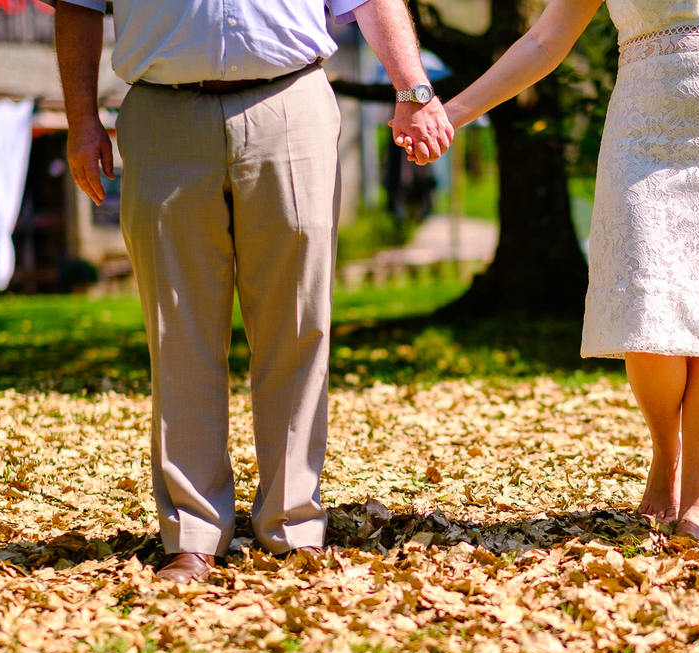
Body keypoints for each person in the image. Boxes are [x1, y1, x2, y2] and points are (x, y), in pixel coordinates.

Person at [54, 0, 453, 582]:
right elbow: (78, 4)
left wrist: (414, 92)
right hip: (161, 112)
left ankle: (293, 526)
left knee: (298, 323)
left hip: (290, 103)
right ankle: (191, 533)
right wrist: (80, 119)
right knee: (177, 330)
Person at [442, 0, 699, 540]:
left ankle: (698, 501)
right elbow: (544, 42)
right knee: (647, 314)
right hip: (642, 143)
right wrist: (452, 113)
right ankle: (667, 451)